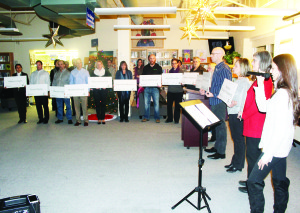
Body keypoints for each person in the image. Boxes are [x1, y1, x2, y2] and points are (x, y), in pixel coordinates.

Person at [247, 54, 299, 213]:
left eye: (275, 68)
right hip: (280, 148)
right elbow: (264, 107)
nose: (271, 71)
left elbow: (281, 128)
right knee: (279, 181)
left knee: (253, 181)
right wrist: (260, 85)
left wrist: (268, 154)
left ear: (283, 70)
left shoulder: (283, 95)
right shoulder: (283, 91)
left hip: (275, 149)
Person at [238, 51, 273, 193]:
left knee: (253, 156)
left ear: (262, 62)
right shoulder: (258, 79)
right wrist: (243, 111)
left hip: (256, 124)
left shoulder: (265, 80)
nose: (252, 63)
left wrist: (244, 114)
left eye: (254, 61)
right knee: (250, 154)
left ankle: (254, 184)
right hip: (251, 122)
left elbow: (258, 106)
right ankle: (250, 180)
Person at [201, 47, 232, 159]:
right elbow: (216, 85)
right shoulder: (217, 68)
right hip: (214, 100)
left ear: (219, 55)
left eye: (213, 54)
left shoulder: (224, 68)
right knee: (216, 126)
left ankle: (221, 152)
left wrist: (213, 94)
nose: (211, 56)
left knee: (221, 126)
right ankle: (217, 147)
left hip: (219, 100)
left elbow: (227, 87)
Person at [225, 58, 251, 173]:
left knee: (239, 140)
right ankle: (235, 161)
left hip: (238, 114)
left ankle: (238, 164)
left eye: (236, 66)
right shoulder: (237, 81)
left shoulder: (245, 82)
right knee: (235, 139)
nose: (233, 67)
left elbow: (245, 99)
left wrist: (238, 107)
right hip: (233, 112)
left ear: (243, 68)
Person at [141, 54, 162, 123]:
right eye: (150, 58)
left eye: (153, 58)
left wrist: (160, 83)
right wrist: (142, 84)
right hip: (147, 88)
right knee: (146, 103)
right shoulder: (145, 68)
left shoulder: (158, 67)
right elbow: (143, 77)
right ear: (148, 59)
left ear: (155, 59)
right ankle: (146, 117)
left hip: (155, 89)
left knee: (156, 103)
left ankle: (157, 117)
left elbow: (161, 77)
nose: (152, 60)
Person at [70, 58, 90, 127]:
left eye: (80, 62)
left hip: (83, 92)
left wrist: (88, 91)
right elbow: (71, 82)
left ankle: (85, 120)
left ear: (82, 63)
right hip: (75, 92)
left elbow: (88, 82)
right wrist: (70, 91)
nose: (79, 64)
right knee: (76, 107)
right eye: (77, 63)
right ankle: (78, 120)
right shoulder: (72, 72)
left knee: (84, 107)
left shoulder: (85, 72)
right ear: (75, 64)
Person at [90, 60, 111, 125]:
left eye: (100, 64)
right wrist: (94, 86)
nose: (99, 65)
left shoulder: (106, 72)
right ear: (96, 65)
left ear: (102, 65)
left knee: (103, 104)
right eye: (98, 64)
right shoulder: (93, 73)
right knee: (97, 104)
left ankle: (103, 118)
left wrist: (106, 86)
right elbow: (91, 82)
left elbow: (109, 80)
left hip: (104, 90)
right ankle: (99, 118)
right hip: (96, 91)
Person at [52, 60, 73, 124]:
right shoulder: (56, 73)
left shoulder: (68, 73)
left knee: (68, 106)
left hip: (65, 92)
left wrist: (69, 91)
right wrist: (53, 91)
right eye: (59, 64)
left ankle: (69, 118)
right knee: (59, 106)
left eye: (62, 64)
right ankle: (60, 118)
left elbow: (70, 83)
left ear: (64, 65)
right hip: (58, 92)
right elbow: (54, 82)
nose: (60, 65)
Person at [165, 59, 183, 124]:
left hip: (178, 91)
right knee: (169, 105)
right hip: (170, 91)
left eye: (175, 63)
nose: (174, 65)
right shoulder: (170, 71)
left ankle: (176, 119)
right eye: (172, 63)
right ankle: (169, 118)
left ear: (178, 63)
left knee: (177, 106)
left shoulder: (181, 71)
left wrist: (183, 83)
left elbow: (184, 81)